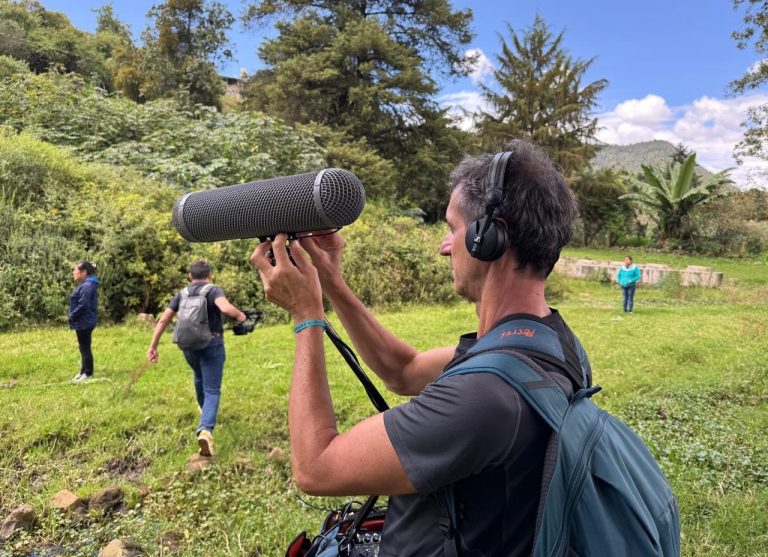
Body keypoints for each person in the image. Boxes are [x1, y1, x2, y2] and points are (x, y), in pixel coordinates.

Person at [250, 140, 592, 556]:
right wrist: (331, 281)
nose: (444, 246)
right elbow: (403, 370)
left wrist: (306, 314)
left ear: (489, 238)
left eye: (452, 229)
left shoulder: (485, 397)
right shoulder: (546, 343)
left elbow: (316, 468)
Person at [146, 260, 247, 457]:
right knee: (212, 390)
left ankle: (204, 410)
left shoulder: (182, 293)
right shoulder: (213, 290)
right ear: (209, 275)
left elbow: (165, 318)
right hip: (211, 344)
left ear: (190, 276)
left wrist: (153, 346)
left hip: (188, 346)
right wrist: (241, 316)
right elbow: (225, 308)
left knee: (199, 376)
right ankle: (206, 430)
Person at [69, 260, 100, 383]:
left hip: (85, 322)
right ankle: (83, 372)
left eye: (75, 270)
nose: (73, 272)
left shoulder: (87, 286)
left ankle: (88, 373)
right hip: (83, 321)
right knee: (83, 347)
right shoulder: (86, 284)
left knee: (85, 348)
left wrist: (72, 315)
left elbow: (83, 305)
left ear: (84, 272)